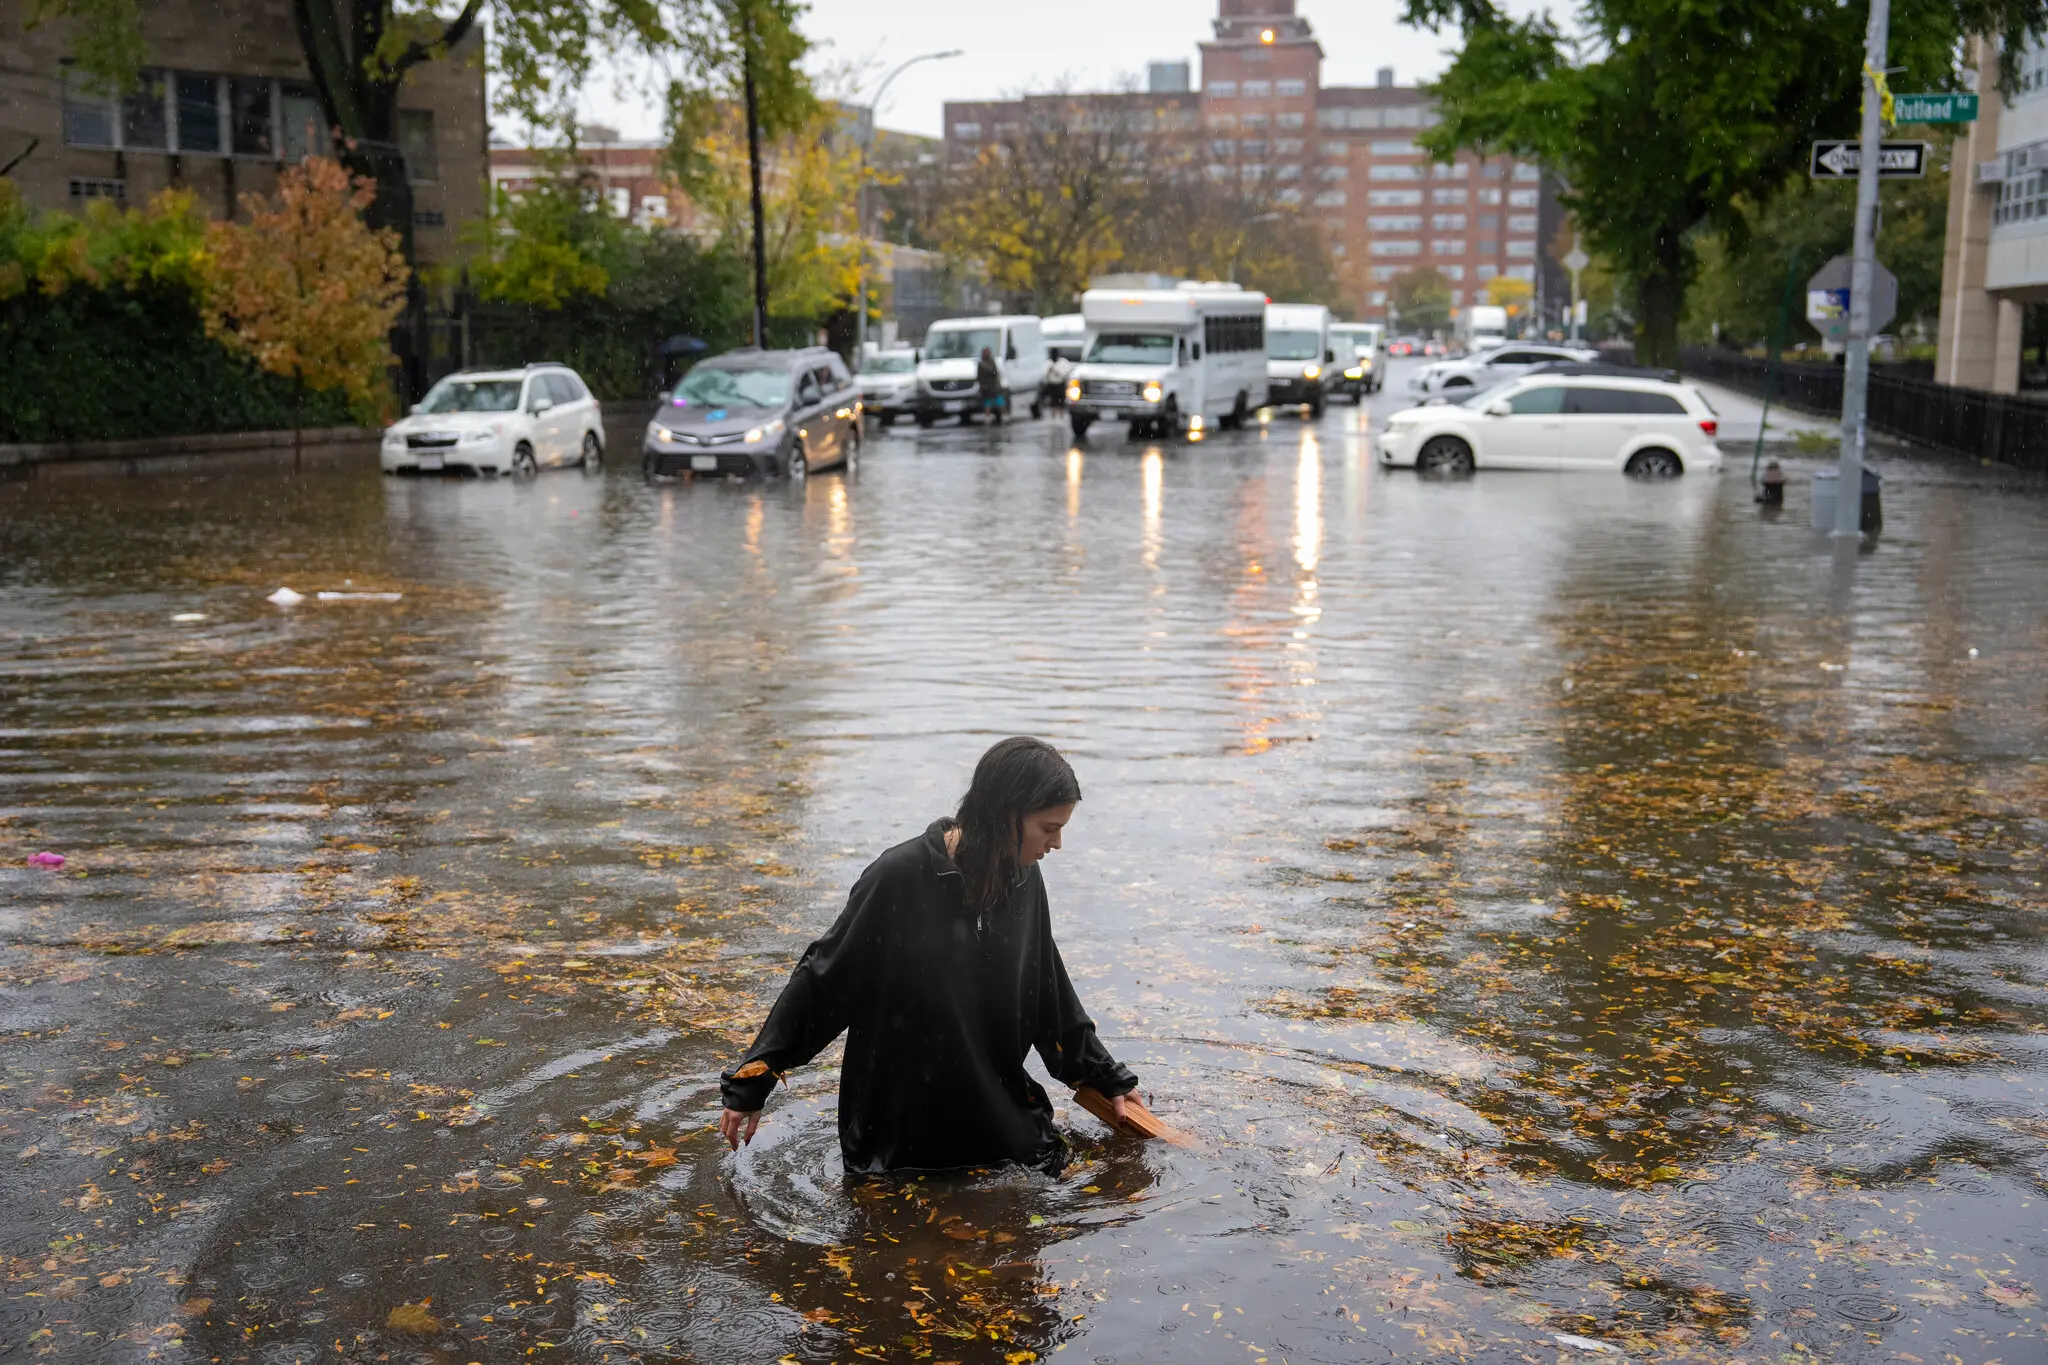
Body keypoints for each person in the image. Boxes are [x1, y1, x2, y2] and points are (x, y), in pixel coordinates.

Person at [718, 738, 1137, 1174]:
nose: (1057, 844)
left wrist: (1106, 1078)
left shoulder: (1023, 882)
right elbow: (823, 980)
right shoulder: (898, 877)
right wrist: (755, 1079)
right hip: (897, 1139)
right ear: (1005, 814)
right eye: (1049, 828)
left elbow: (1049, 993)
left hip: (996, 1125)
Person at [975, 345, 1005, 425]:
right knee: (988, 403)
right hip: (986, 387)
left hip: (994, 386)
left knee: (999, 402)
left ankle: (1000, 416)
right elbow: (979, 376)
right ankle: (988, 417)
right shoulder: (981, 364)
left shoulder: (992, 361)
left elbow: (995, 372)